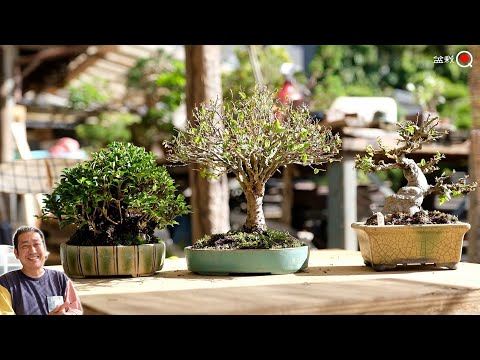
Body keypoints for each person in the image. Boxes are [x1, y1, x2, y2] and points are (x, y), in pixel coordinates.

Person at [0, 226, 83, 315]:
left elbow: (75, 309)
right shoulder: (5, 283)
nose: (32, 250)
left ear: (44, 249)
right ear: (16, 253)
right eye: (25, 246)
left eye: (36, 244)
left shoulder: (60, 278)